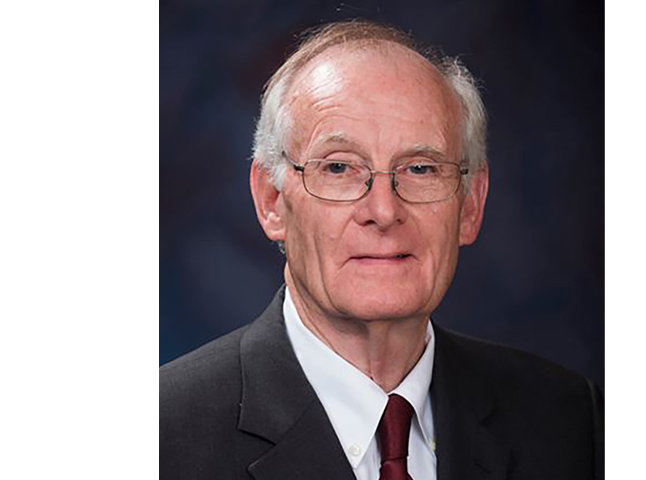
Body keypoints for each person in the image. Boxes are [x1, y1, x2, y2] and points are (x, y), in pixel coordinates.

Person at [160, 20, 603, 480]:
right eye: (338, 168)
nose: (384, 211)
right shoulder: (161, 437)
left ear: (470, 204)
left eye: (420, 169)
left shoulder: (568, 420)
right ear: (272, 201)